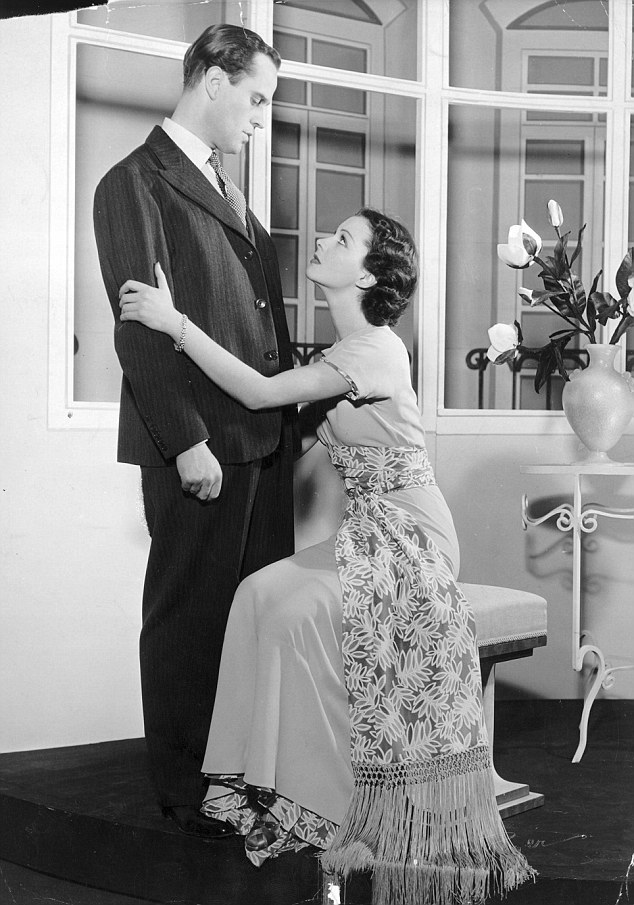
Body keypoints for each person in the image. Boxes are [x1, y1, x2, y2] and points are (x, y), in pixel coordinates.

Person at [118, 209, 534, 905]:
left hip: (412, 536)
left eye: (342, 240)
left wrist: (174, 323)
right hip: (366, 528)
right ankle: (259, 787)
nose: (321, 240)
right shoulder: (345, 351)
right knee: (255, 592)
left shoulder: (373, 351)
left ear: (367, 277)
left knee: (292, 616)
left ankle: (331, 804)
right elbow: (293, 435)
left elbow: (260, 394)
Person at [93, 24, 297, 839]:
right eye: (257, 99)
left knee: (253, 624)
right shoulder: (132, 183)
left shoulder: (224, 184)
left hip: (264, 444)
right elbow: (139, 333)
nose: (261, 118)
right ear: (214, 80)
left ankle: (241, 779)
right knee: (190, 619)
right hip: (203, 447)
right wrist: (185, 443)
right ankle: (185, 792)